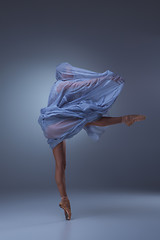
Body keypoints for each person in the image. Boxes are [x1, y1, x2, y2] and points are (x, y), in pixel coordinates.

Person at [38, 62, 146, 220]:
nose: (71, 72)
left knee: (61, 165)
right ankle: (125, 119)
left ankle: (64, 200)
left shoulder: (58, 86)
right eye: (68, 71)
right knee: (88, 117)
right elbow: (87, 83)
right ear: (62, 74)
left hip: (52, 128)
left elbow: (80, 92)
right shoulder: (62, 84)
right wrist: (106, 77)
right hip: (55, 124)